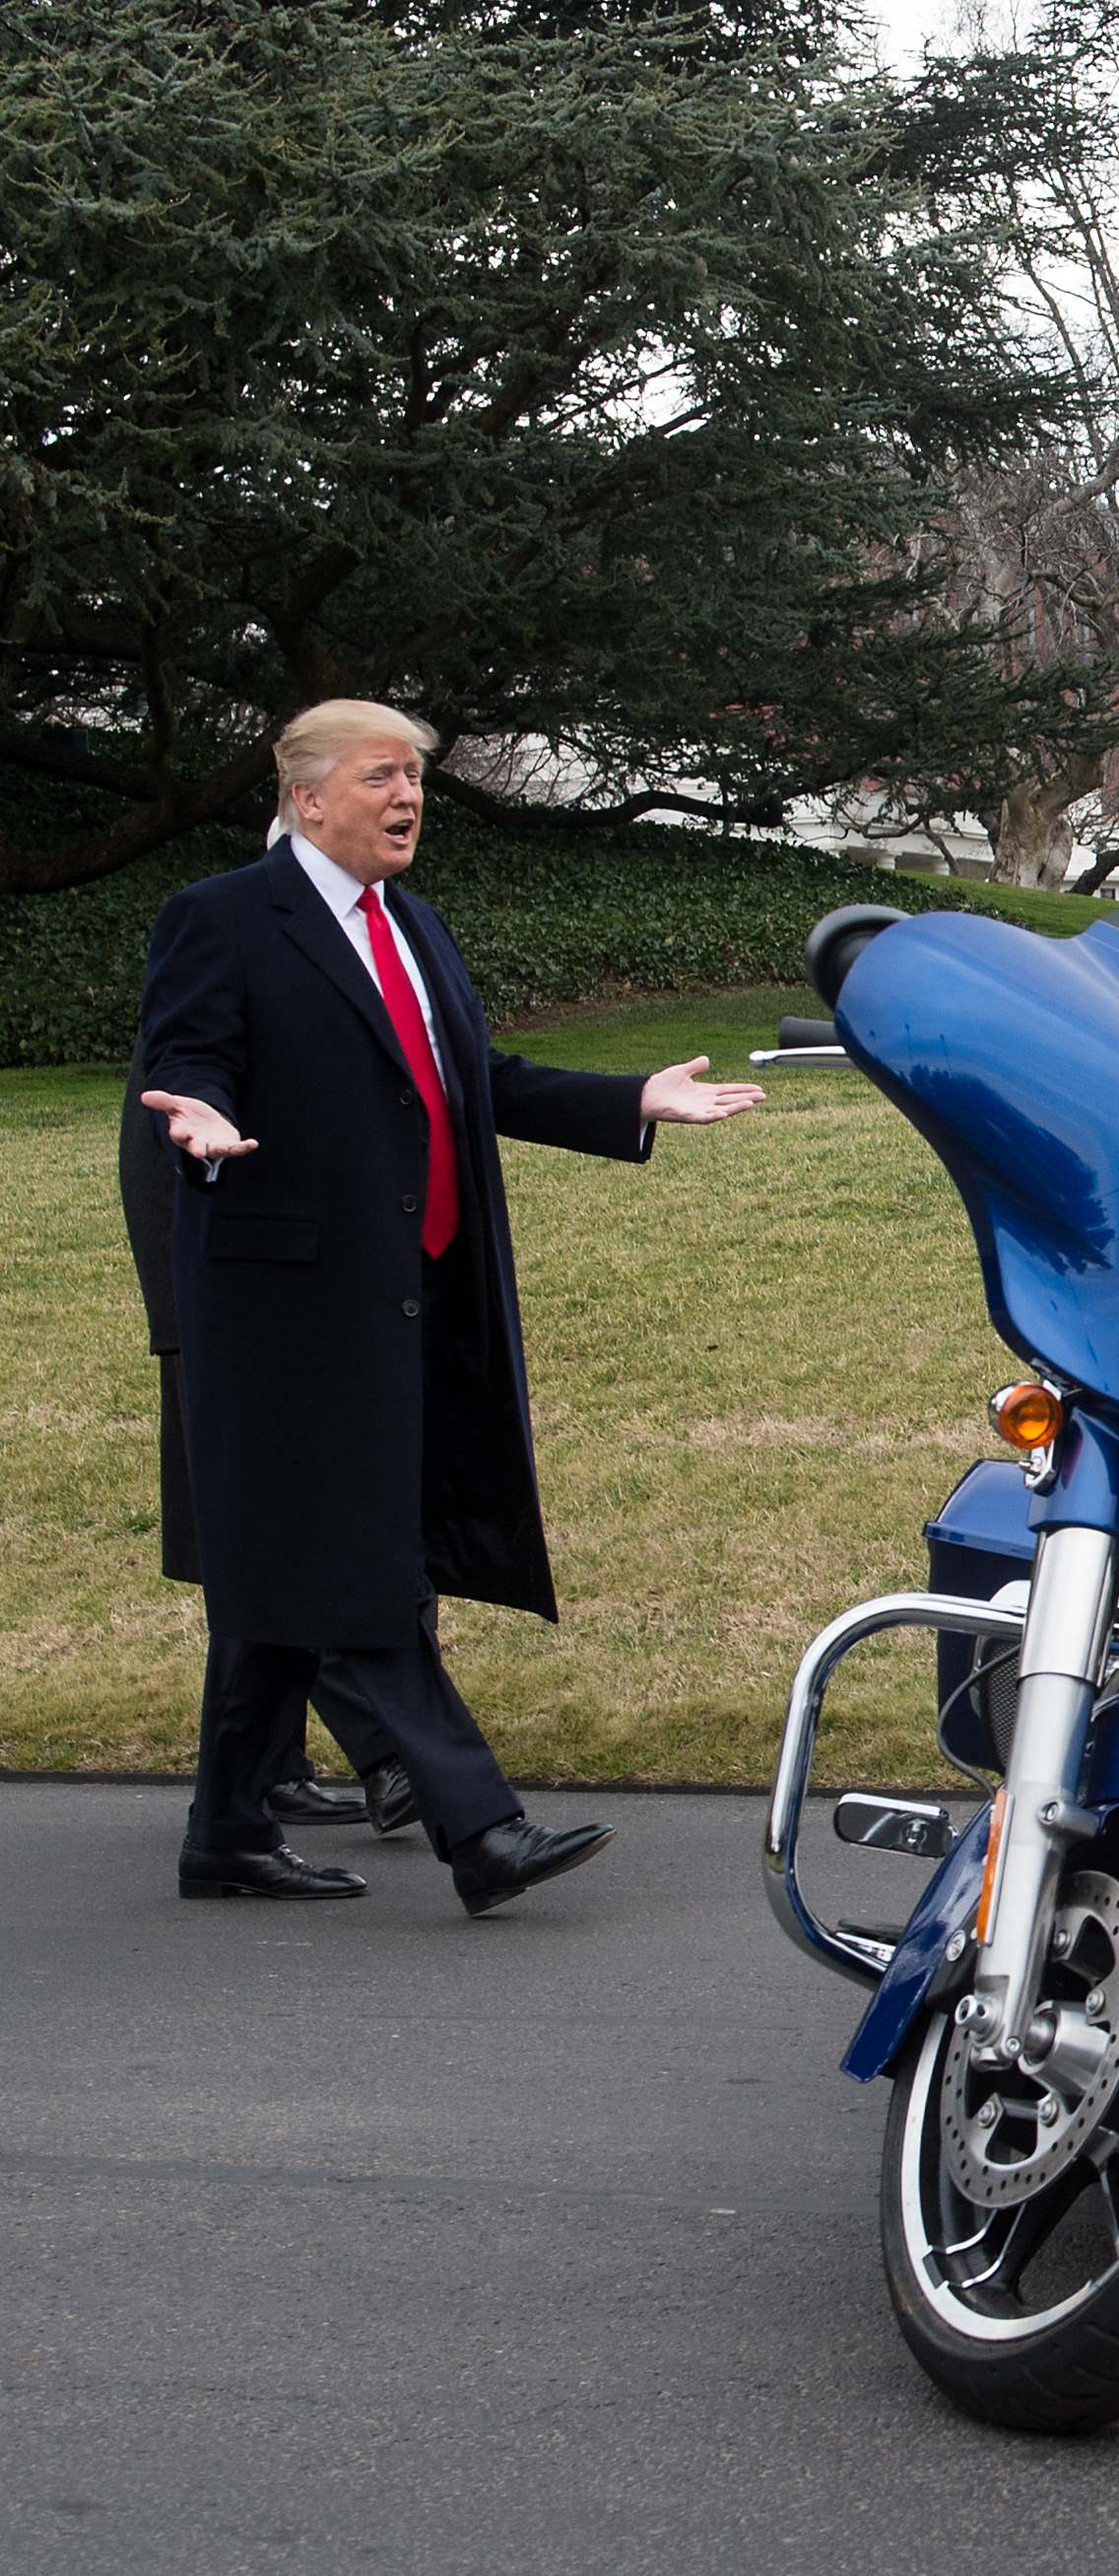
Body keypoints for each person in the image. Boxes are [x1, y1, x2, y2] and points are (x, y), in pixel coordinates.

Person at [134, 700, 764, 1909]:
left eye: (416, 777)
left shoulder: (413, 927)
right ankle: (481, 1831)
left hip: (406, 1298)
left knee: (284, 1568)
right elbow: (188, 1054)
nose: (408, 797)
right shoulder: (221, 917)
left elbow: (476, 1080)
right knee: (356, 1562)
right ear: (307, 798)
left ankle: (224, 1832)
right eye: (382, 776)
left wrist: (630, 1097)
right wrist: (199, 1118)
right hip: (281, 1313)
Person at [121, 986, 407, 1835]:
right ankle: (396, 1755)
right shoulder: (222, 958)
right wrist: (185, 1330)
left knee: (258, 1550)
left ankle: (261, 1779)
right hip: (230, 1326)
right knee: (283, 1546)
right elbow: (158, 1161)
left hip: (320, 1314)